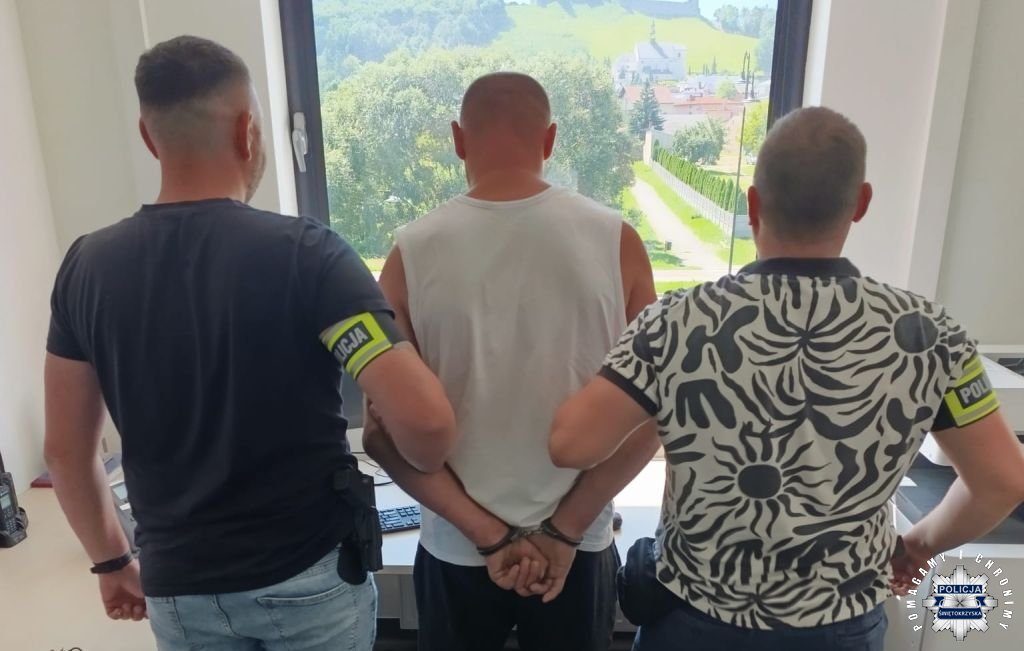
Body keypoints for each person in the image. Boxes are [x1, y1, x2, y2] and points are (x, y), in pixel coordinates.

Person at [549, 107, 1024, 650]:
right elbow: (1003, 482)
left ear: (753, 204)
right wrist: (918, 545)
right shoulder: (930, 335)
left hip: (696, 617)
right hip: (840, 623)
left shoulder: (679, 322)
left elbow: (570, 444)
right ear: (861, 203)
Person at [43, 35, 456, 651]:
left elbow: (65, 454)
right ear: (248, 132)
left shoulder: (87, 267)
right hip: (307, 576)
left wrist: (111, 562)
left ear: (149, 137)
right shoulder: (310, 258)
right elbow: (427, 424)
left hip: (178, 587)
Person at [361, 72, 658, 651]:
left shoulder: (409, 254)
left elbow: (382, 434)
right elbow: (652, 418)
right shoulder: (618, 241)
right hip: (579, 544)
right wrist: (563, 533)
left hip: (457, 545)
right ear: (550, 139)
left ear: (457, 139)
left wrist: (489, 536)